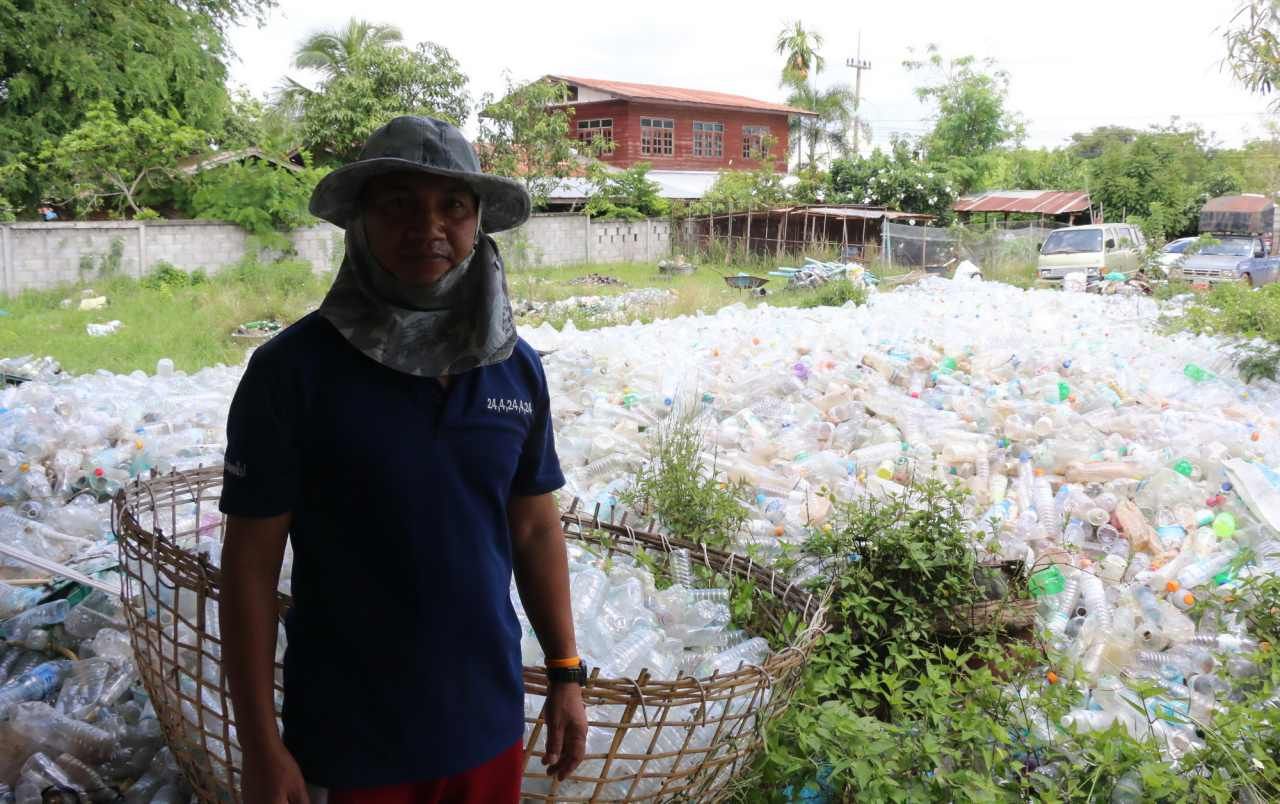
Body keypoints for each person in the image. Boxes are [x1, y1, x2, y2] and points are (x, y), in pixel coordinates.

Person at [218, 116, 587, 804]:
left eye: (453, 205)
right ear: (362, 222)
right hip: (352, 739)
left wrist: (566, 672)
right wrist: (261, 747)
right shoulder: (291, 373)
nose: (429, 228)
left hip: (488, 724)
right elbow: (248, 568)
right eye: (399, 205)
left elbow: (535, 529)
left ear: (479, 224)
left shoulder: (515, 369)